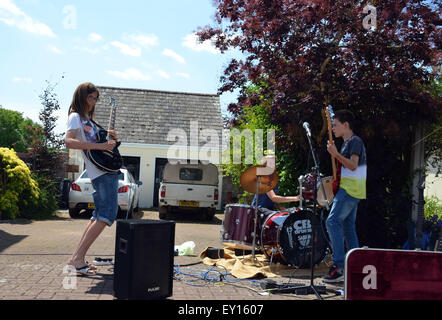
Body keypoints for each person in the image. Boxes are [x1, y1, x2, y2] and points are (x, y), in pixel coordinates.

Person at [65, 82, 119, 276]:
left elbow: (98, 143)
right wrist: (101, 147)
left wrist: (109, 140)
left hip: (105, 171)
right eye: (90, 97)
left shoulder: (88, 119)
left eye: (95, 98)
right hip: (100, 173)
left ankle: (75, 259)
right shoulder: (75, 117)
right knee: (107, 215)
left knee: (98, 215)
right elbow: (69, 141)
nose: (93, 102)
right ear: (81, 97)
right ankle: (77, 258)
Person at [323, 110, 366, 283]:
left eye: (335, 125)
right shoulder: (347, 143)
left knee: (332, 221)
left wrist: (336, 155)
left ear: (346, 125)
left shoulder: (354, 141)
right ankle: (354, 267)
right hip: (352, 189)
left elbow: (354, 166)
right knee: (348, 227)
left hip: (350, 190)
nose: (333, 128)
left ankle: (339, 266)